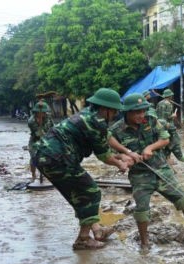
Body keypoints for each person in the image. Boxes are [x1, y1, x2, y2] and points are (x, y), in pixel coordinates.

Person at [109, 93, 184, 252]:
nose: (141, 115)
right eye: (137, 112)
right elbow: (111, 153)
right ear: (127, 112)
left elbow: (165, 139)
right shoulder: (115, 130)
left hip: (162, 170)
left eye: (143, 111)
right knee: (142, 210)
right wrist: (125, 157)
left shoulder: (150, 119)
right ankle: (145, 244)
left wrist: (150, 148)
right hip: (139, 176)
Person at [34, 88, 132, 250]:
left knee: (78, 195)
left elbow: (106, 137)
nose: (115, 115)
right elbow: (104, 156)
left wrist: (125, 153)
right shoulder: (95, 122)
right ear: (105, 109)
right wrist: (121, 164)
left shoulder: (88, 114)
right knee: (91, 192)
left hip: (45, 157)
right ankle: (83, 239)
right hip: (59, 160)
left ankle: (97, 230)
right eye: (114, 111)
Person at [27, 100, 54, 183]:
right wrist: (40, 127)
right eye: (41, 113)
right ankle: (33, 175)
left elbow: (53, 128)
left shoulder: (48, 117)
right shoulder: (31, 121)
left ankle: (46, 175)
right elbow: (38, 134)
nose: (43, 114)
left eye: (45, 112)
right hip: (35, 140)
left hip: (47, 139)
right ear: (36, 112)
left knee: (47, 158)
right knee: (34, 158)